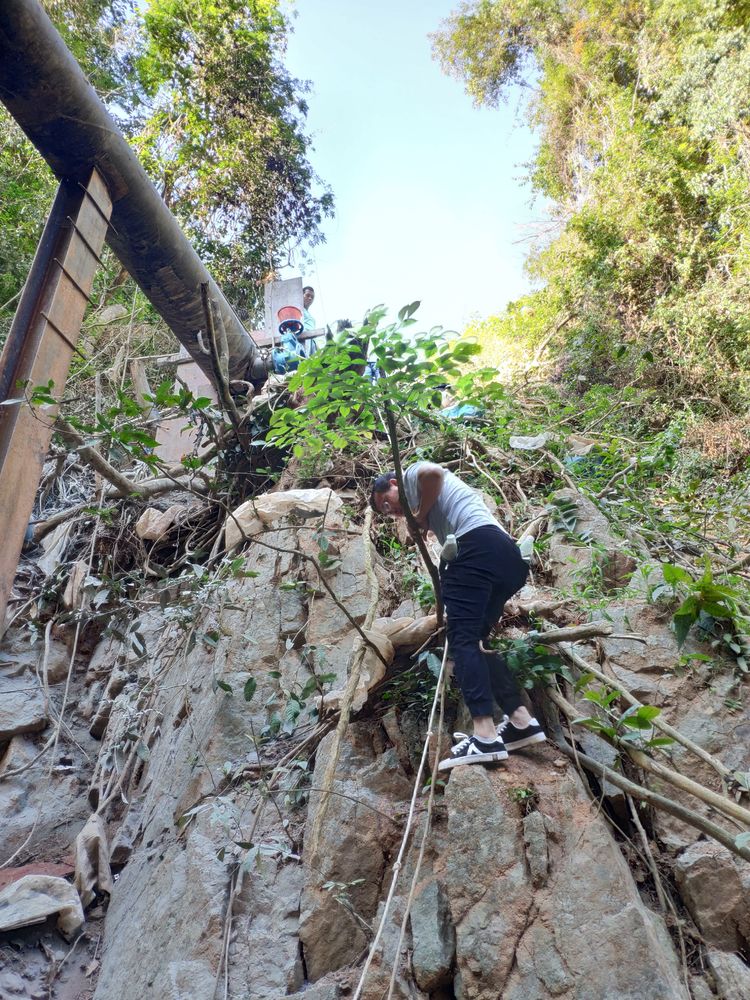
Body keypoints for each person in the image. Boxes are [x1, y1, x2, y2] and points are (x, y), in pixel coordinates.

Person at [370, 462, 546, 771]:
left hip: (474, 549)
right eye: (385, 513)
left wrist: (421, 516)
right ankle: (520, 721)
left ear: (394, 483)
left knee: (462, 639)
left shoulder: (411, 475)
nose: (391, 512)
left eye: (387, 503)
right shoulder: (429, 498)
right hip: (508, 558)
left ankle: (485, 735)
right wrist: (424, 521)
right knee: (476, 640)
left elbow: (433, 474)